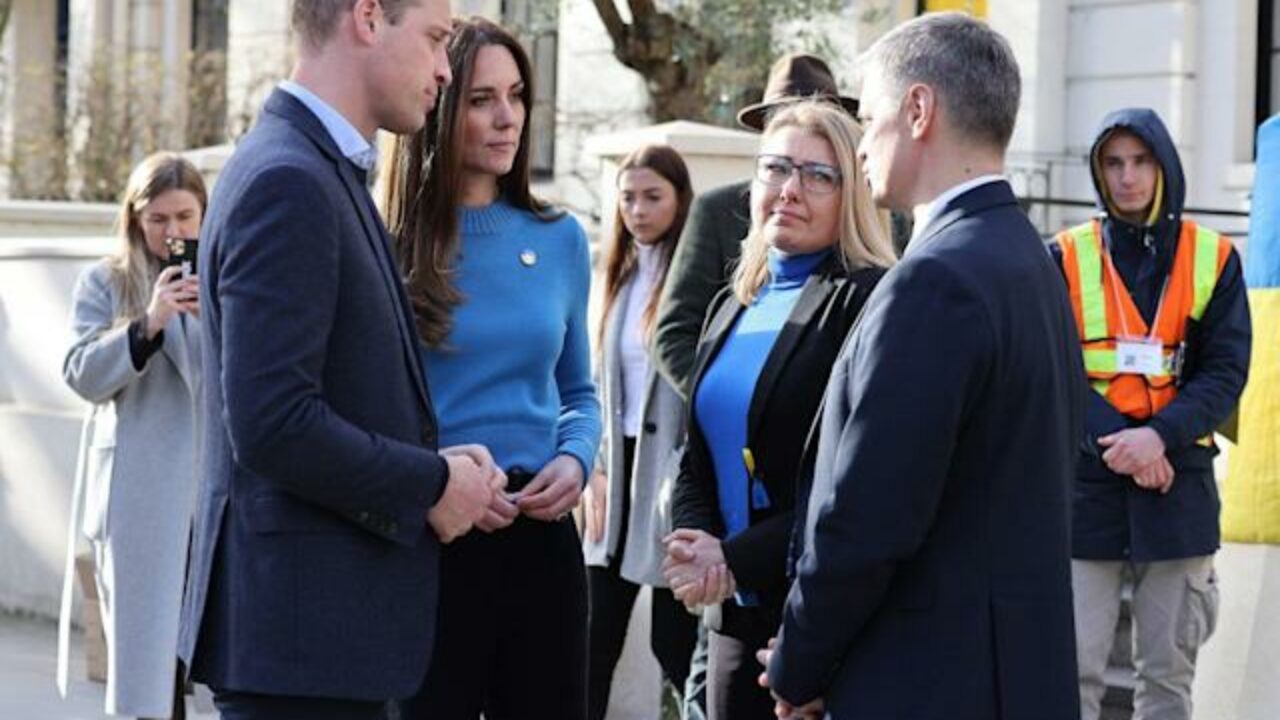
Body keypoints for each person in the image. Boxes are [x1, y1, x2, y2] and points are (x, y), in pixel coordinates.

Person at [178, 2, 501, 719]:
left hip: (318, 649)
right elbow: (273, 423)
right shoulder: (288, 179)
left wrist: (435, 462)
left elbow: (326, 394)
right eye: (436, 40)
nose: (445, 71)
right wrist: (430, 484)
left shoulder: (318, 168)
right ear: (368, 17)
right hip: (301, 655)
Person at [761, 13, 1086, 720]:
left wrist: (798, 665)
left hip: (926, 682)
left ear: (917, 110)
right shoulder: (1030, 260)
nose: (859, 145)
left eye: (867, 118)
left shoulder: (935, 280)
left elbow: (871, 516)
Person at [383, 17, 602, 720]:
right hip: (433, 537)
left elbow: (579, 391)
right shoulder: (386, 246)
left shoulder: (561, 239)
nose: (508, 117)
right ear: (440, 103)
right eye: (482, 99)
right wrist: (433, 478)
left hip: (541, 540)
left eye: (516, 95)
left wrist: (575, 458)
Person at [663, 100, 894, 720]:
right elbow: (696, 454)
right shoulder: (733, 303)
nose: (790, 189)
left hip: (818, 619)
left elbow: (854, 485)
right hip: (732, 615)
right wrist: (695, 543)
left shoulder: (867, 302)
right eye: (776, 168)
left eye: (818, 176)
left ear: (852, 194)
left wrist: (733, 559)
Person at [1050, 108, 1250, 720]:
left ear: (1164, 168)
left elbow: (1226, 372)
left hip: (1177, 490)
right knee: (1069, 678)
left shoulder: (1214, 257)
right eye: (1114, 163)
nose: (1128, 177)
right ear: (1099, 172)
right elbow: (1051, 367)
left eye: (1141, 162)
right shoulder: (1064, 255)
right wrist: (1126, 444)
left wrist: (1158, 438)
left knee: (1167, 684)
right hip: (1088, 489)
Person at [57, 152, 205, 720]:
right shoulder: (106, 281)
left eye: (185, 217)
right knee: (150, 674)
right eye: (158, 219)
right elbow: (81, 373)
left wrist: (216, 317)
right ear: (135, 219)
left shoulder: (227, 279)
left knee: (211, 663)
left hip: (210, 491)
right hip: (141, 496)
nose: (172, 233)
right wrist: (149, 324)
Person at [582, 144, 699, 719]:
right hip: (614, 475)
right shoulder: (614, 274)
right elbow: (593, 382)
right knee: (592, 638)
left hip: (669, 476)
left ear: (680, 200)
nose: (637, 210)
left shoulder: (694, 279)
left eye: (653, 197)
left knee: (674, 642)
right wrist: (595, 465)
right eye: (627, 197)